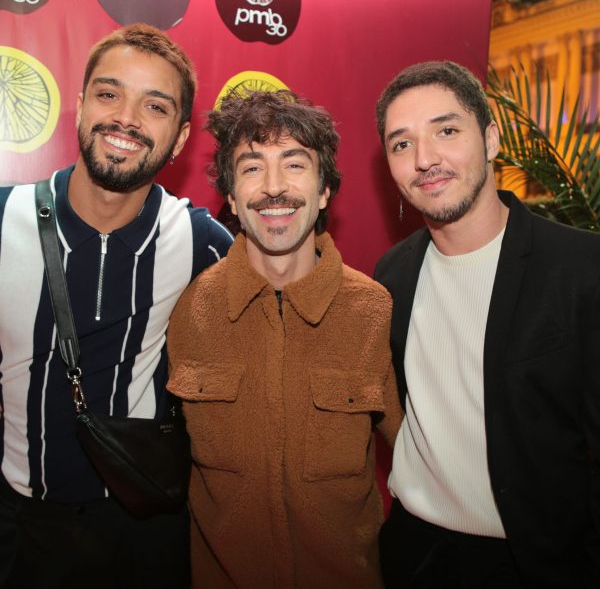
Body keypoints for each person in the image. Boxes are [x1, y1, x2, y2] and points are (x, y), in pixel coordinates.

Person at [0, 23, 233, 588]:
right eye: (109, 95)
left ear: (179, 139)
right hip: (20, 523)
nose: (126, 119)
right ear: (78, 108)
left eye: (154, 106)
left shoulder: (200, 240)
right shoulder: (4, 219)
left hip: (144, 526)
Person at [373, 60, 600, 588]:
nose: (425, 159)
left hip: (537, 561)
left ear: (491, 139)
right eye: (401, 144)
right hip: (414, 552)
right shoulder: (392, 273)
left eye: (446, 131)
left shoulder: (582, 269)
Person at [166, 89, 402, 588]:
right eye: (252, 168)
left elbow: (422, 463)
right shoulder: (187, 311)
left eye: (295, 165)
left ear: (324, 191)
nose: (274, 188)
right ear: (231, 197)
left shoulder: (374, 310)